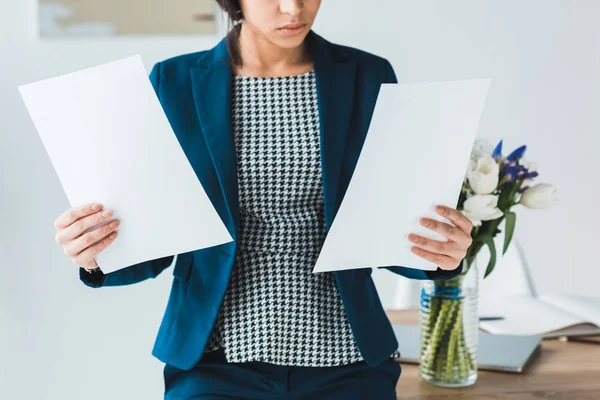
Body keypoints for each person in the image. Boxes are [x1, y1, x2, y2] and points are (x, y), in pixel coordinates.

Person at [53, 1, 473, 398]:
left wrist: (441, 254)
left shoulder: (367, 74)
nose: (293, 9)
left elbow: (386, 225)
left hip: (347, 356)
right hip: (214, 360)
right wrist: (95, 253)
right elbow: (154, 241)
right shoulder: (175, 81)